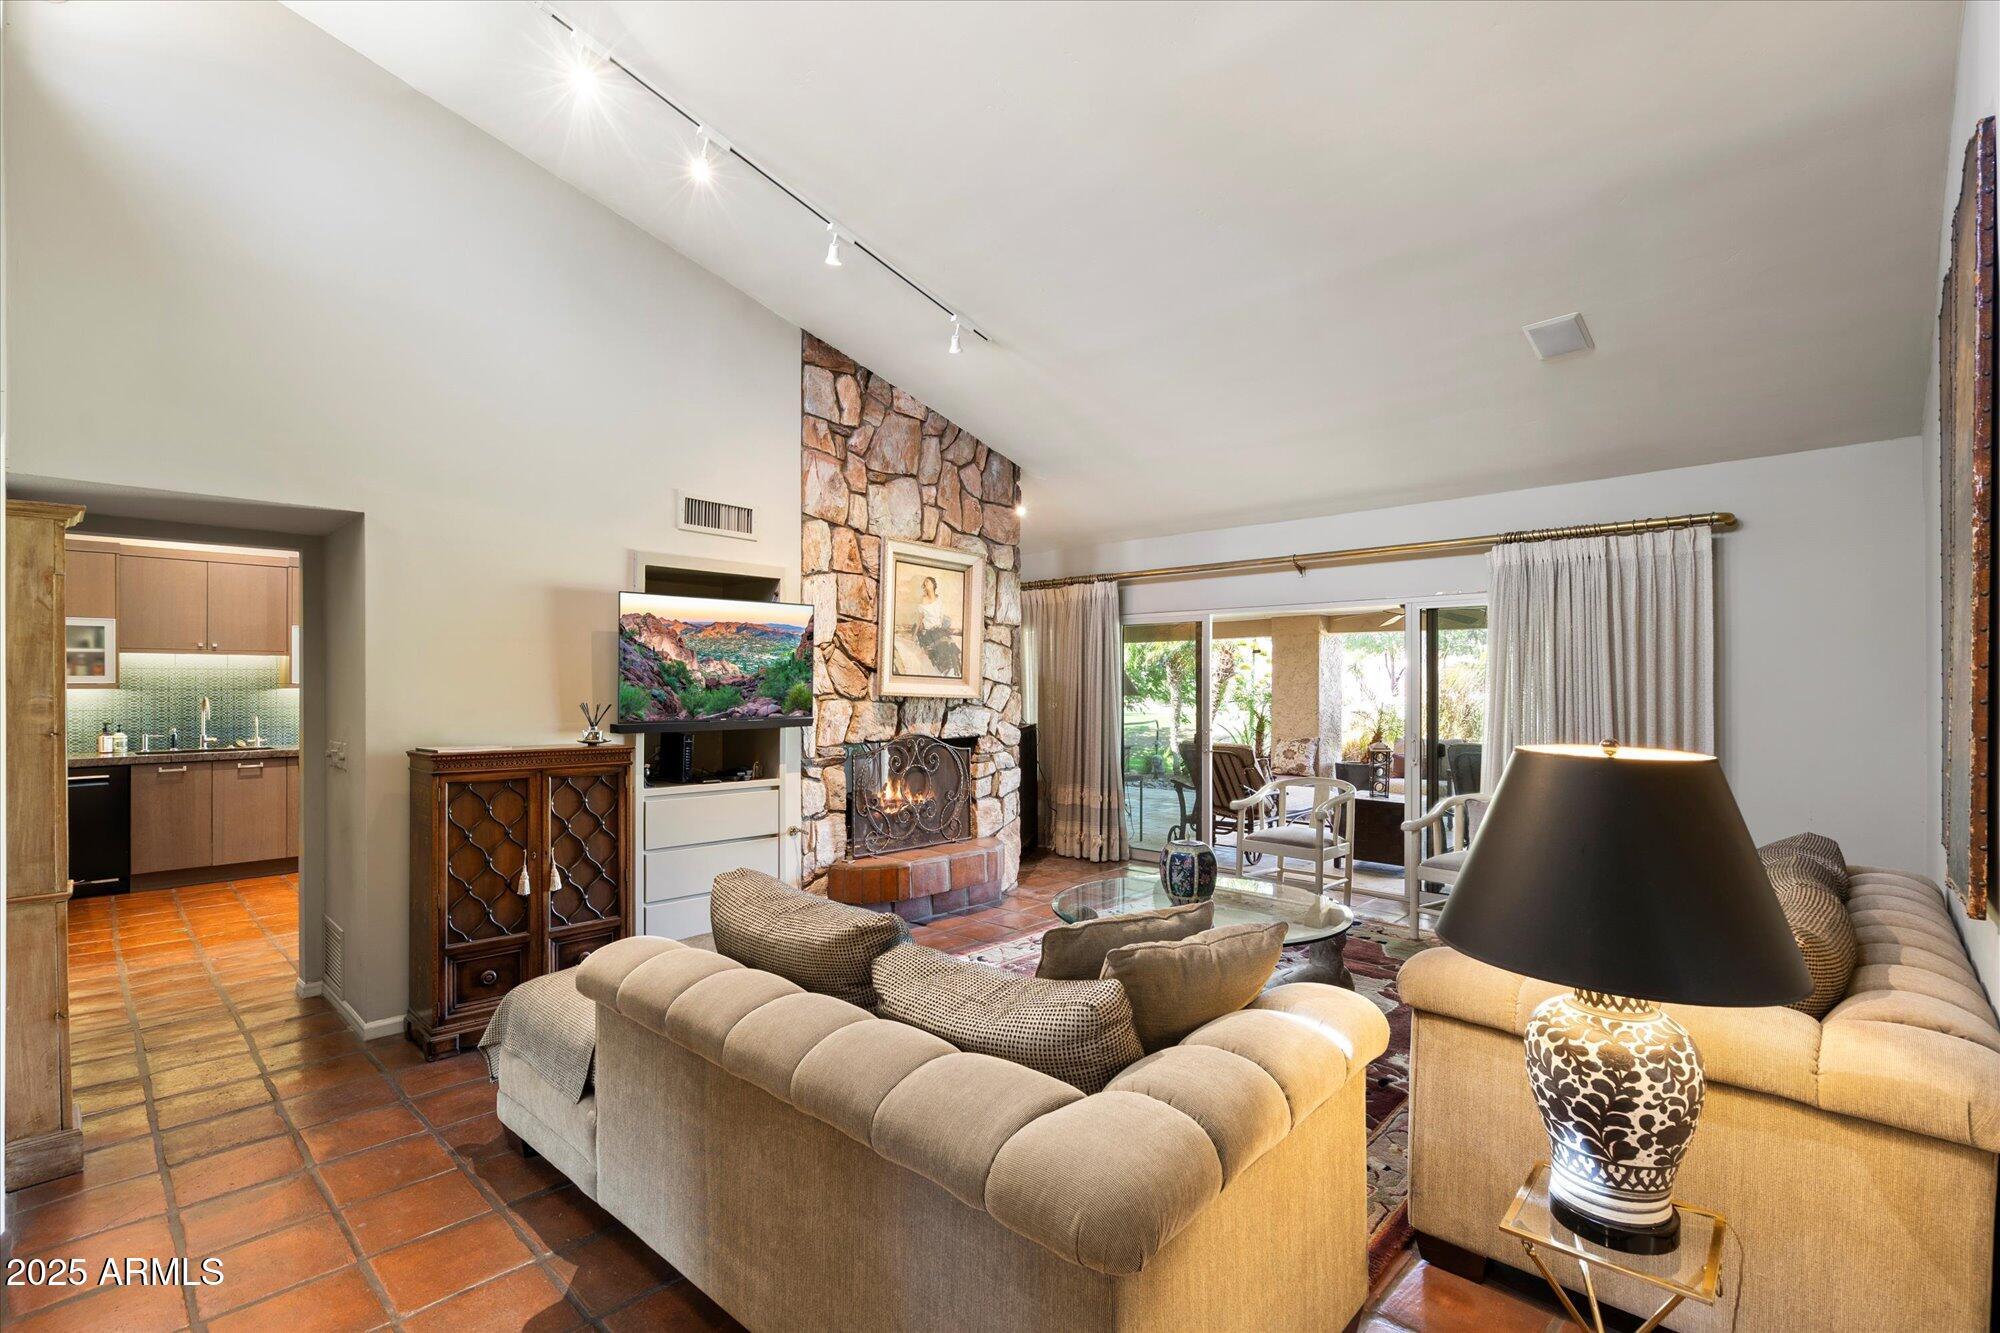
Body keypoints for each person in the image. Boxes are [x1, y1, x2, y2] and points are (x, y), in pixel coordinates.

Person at [911, 575, 961, 674]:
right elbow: (920, 619)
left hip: (939, 629)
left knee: (951, 646)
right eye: (925, 583)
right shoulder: (923, 599)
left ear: (933, 585)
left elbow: (941, 617)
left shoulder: (939, 600)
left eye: (928, 582)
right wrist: (915, 634)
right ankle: (944, 669)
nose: (926, 584)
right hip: (929, 631)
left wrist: (946, 627)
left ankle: (953, 671)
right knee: (939, 648)